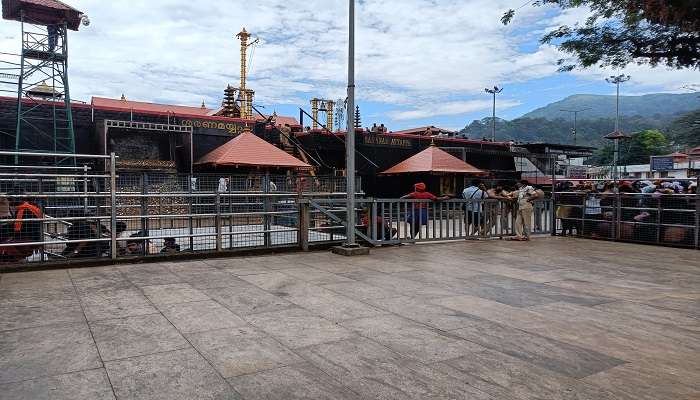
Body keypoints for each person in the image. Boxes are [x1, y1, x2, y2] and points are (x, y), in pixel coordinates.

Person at [0, 193, 43, 262]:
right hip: (37, 238)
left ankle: (15, 260)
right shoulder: (30, 207)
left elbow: (18, 232)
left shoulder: (21, 211)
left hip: (29, 240)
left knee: (5, 244)